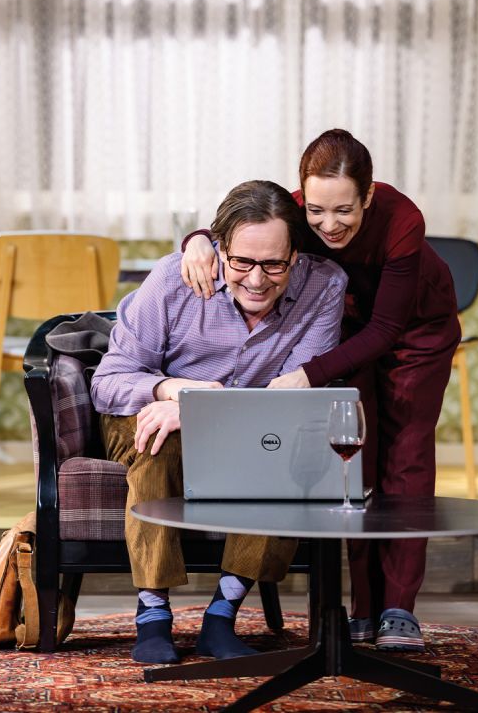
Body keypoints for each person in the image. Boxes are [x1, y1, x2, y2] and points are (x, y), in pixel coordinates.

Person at [181, 129, 461, 653]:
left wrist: (306, 375)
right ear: (303, 196)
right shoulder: (295, 210)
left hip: (414, 331)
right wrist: (196, 239)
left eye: (344, 210)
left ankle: (399, 607)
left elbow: (387, 330)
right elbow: (243, 227)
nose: (328, 224)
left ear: (368, 195)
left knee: (404, 456)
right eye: (316, 210)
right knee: (353, 454)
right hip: (350, 329)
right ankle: (363, 608)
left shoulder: (404, 221)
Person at [90, 179, 348, 665]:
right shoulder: (172, 280)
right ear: (219, 249)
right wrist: (174, 391)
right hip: (153, 415)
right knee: (162, 441)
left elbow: (297, 397)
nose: (257, 280)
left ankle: (221, 617)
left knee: (285, 450)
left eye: (274, 264)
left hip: (251, 424)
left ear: (296, 256)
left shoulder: (325, 286)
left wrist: (209, 409)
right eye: (242, 263)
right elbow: (108, 382)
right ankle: (152, 614)